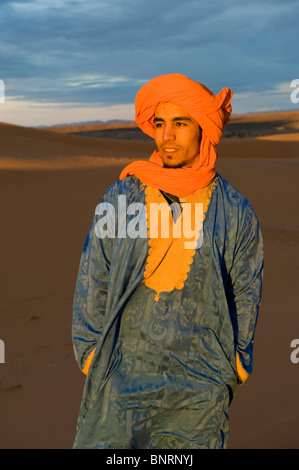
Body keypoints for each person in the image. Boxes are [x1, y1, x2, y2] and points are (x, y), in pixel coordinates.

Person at [72, 73, 264, 449]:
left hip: (199, 391)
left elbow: (246, 288)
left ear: (203, 130)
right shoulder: (123, 195)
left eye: (180, 124)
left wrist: (236, 365)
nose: (167, 136)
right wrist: (92, 354)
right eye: (160, 124)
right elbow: (93, 274)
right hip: (121, 382)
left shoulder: (235, 210)